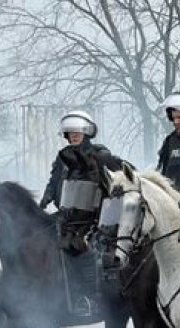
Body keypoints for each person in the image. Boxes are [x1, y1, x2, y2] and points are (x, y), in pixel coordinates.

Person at [40, 111, 125, 316]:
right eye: (70, 133)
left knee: (82, 249)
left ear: (87, 132)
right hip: (68, 214)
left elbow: (120, 172)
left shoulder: (99, 153)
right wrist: (45, 199)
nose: (74, 136)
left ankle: (89, 297)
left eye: (78, 132)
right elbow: (54, 182)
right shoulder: (62, 158)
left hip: (95, 214)